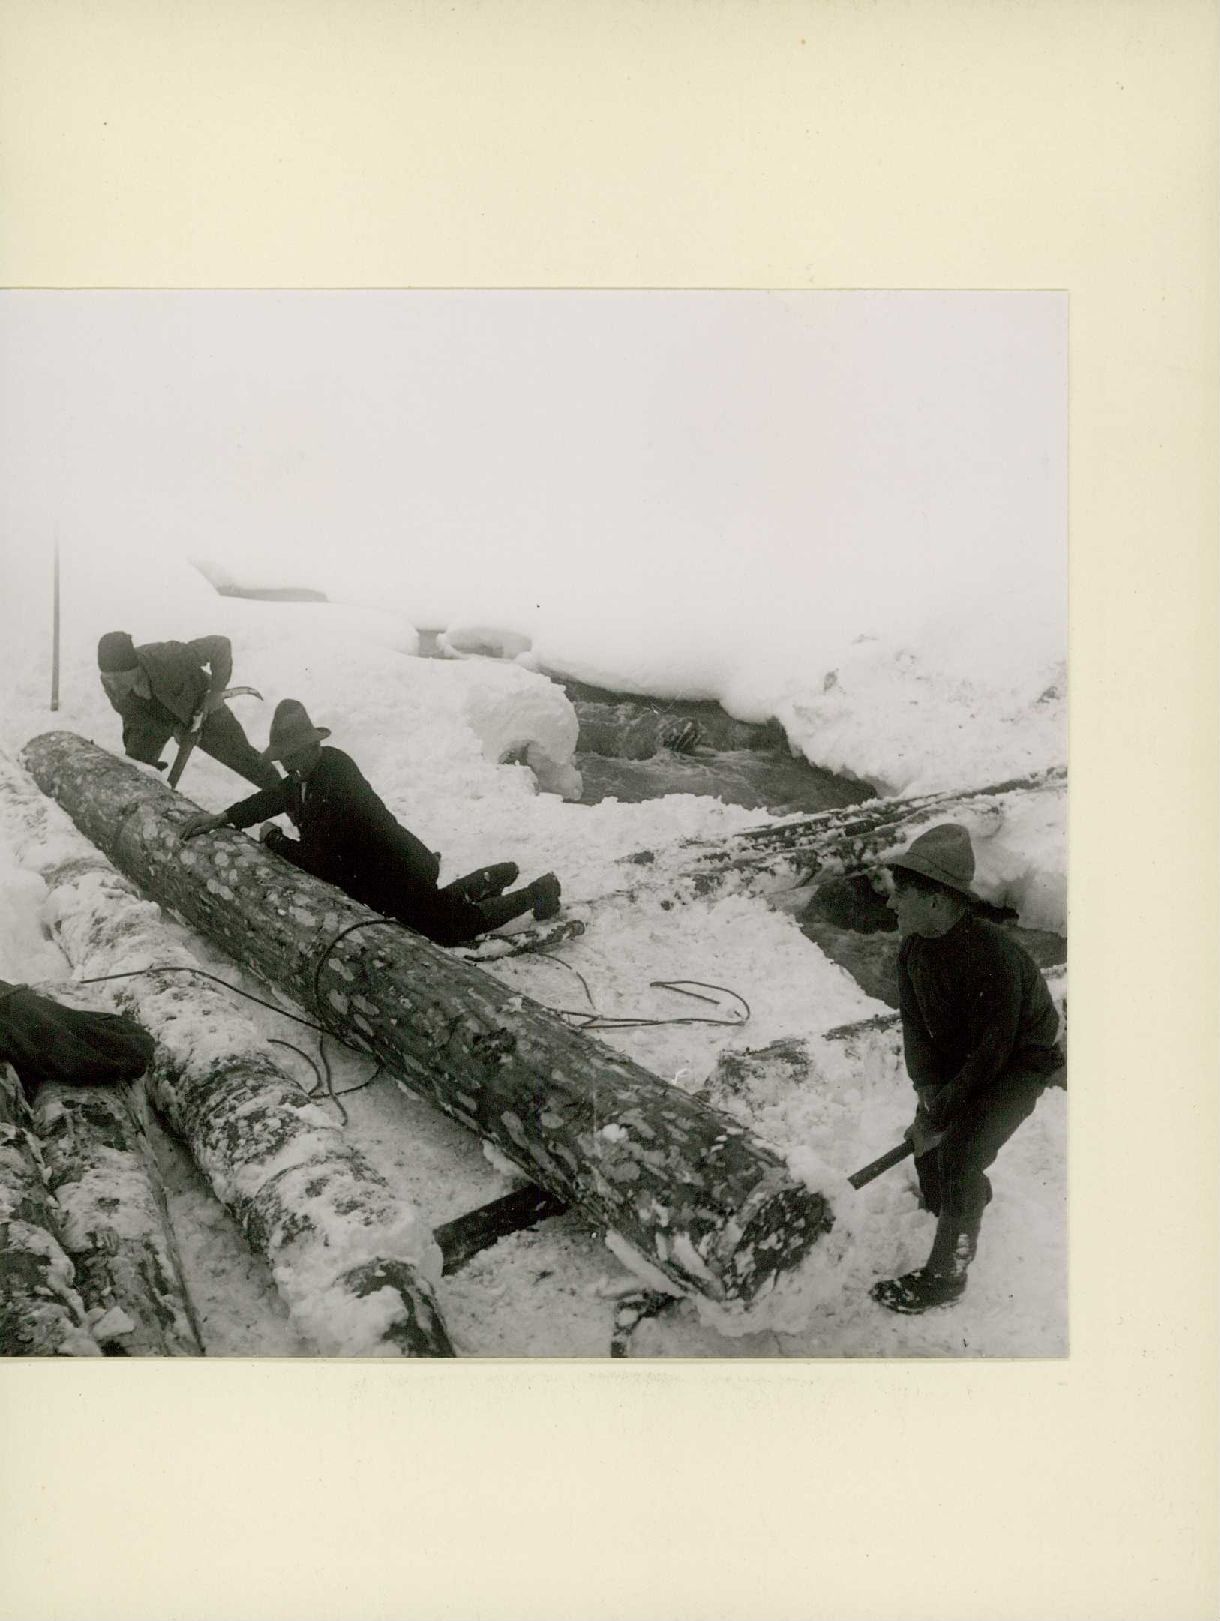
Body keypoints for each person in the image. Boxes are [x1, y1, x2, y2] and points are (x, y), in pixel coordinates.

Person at [870, 822, 1064, 1315]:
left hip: (1019, 1061)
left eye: (902, 894)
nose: (891, 903)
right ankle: (960, 1201)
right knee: (932, 1152)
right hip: (971, 1052)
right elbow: (916, 1026)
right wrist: (927, 1090)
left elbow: (991, 1058)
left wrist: (941, 1116)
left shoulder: (993, 957)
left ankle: (946, 1278)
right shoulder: (915, 947)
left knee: (958, 1154)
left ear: (937, 900)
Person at [179, 698, 563, 947]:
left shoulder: (335, 779)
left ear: (313, 746)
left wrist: (275, 841)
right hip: (381, 873)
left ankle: (539, 891)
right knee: (437, 909)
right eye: (283, 759)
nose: (287, 766)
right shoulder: (307, 772)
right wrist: (225, 817)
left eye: (291, 757)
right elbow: (275, 796)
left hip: (398, 873)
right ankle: (498, 875)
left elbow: (320, 861)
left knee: (449, 930)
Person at [97, 630, 282, 792]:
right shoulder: (111, 683)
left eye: (118, 678)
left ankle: (288, 796)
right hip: (151, 717)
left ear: (134, 667)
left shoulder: (168, 657)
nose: (113, 684)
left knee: (245, 760)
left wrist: (216, 691)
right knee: (136, 768)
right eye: (108, 678)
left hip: (202, 707)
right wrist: (173, 729)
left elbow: (219, 645)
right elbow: (133, 717)